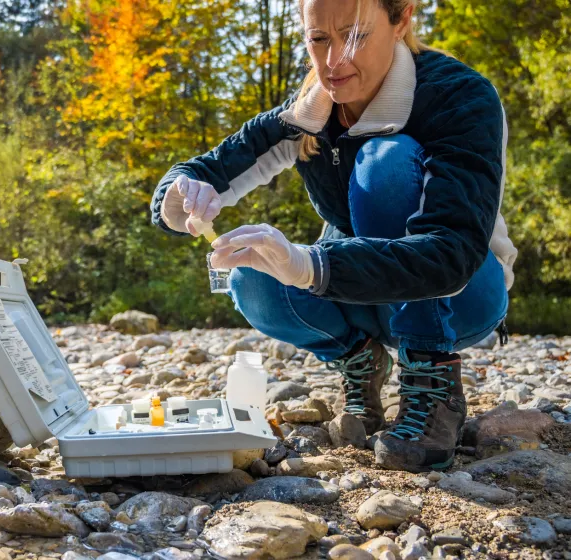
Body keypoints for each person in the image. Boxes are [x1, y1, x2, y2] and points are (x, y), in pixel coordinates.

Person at [150, 0, 518, 472]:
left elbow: (453, 254)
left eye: (356, 35)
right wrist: (183, 196)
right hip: (362, 295)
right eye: (318, 39)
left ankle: (432, 378)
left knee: (382, 163)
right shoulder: (306, 111)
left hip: (463, 294)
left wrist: (311, 265)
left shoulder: (460, 96)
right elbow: (200, 171)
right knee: (250, 273)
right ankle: (360, 360)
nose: (333, 62)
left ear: (401, 19)